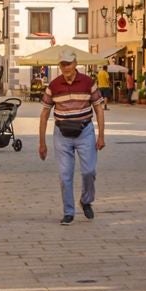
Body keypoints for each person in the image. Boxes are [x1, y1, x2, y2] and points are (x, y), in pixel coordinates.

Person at [37, 49, 105, 224]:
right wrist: (42, 143)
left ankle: (86, 200)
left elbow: (98, 108)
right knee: (65, 175)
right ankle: (69, 211)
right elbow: (44, 113)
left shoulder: (88, 82)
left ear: (76, 63)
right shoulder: (54, 85)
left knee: (89, 171)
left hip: (85, 132)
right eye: (62, 64)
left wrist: (101, 136)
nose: (65, 67)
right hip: (62, 134)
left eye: (68, 63)